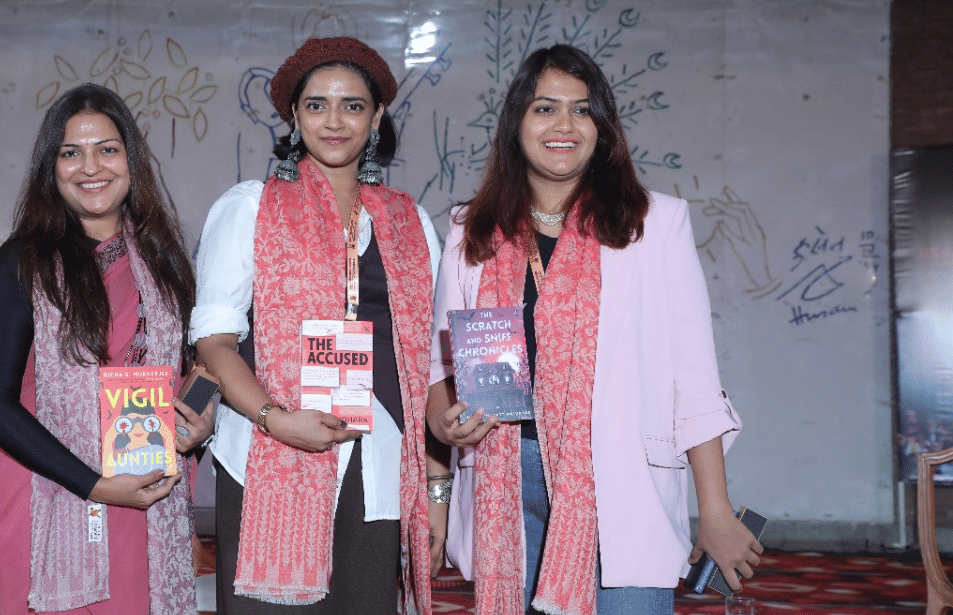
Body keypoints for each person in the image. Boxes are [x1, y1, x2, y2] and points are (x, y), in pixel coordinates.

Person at [427, 45, 763, 615]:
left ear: (602, 129)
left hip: (619, 477)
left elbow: (695, 379)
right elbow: (443, 369)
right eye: (545, 109)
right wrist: (443, 417)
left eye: (582, 111)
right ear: (517, 125)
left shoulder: (655, 225)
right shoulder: (470, 229)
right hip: (504, 477)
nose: (564, 125)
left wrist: (717, 509)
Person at [192, 36, 443, 615]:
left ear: (377, 117)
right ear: (293, 116)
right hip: (268, 455)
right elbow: (215, 340)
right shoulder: (249, 207)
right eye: (316, 105)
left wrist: (436, 493)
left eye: (353, 105)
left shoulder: (410, 221)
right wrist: (277, 421)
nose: (334, 121)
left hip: (378, 458)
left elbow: (425, 365)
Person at [0, 83, 213, 615]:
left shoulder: (164, 264)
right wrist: (96, 486)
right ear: (50, 169)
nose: (91, 167)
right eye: (70, 152)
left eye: (107, 149)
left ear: (131, 161)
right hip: (49, 488)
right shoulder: (23, 263)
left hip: (145, 482)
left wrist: (199, 424)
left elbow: (194, 372)